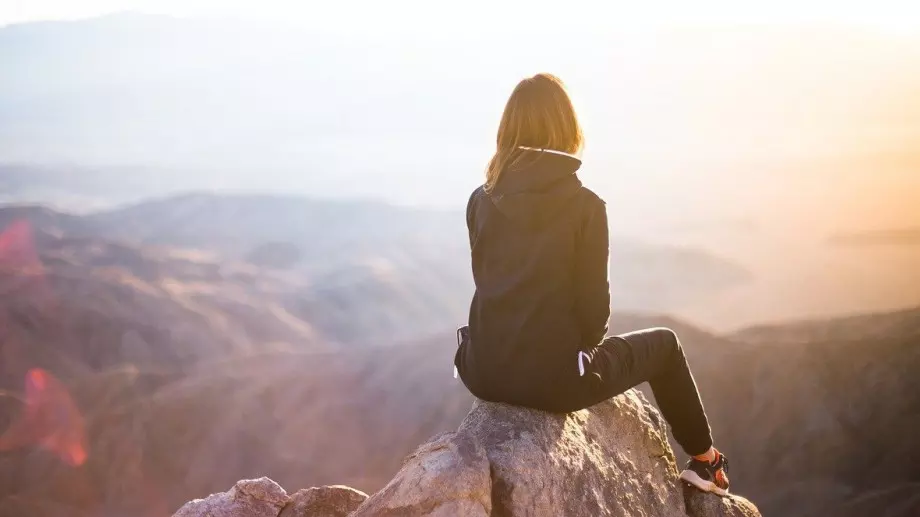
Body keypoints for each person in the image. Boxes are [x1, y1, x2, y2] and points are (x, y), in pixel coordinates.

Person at [454, 73, 730, 496]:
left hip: (481, 370)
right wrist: (576, 352)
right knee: (667, 345)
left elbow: (488, 283)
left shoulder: (480, 198)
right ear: (567, 129)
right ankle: (706, 462)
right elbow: (594, 320)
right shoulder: (585, 207)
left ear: (507, 129)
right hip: (555, 382)